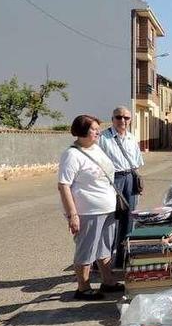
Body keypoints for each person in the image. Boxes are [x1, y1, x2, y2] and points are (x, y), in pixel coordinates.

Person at [57, 114, 123, 300]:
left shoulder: (96, 149)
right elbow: (63, 185)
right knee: (86, 248)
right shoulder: (71, 155)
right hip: (88, 210)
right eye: (94, 129)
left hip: (107, 207)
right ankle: (83, 287)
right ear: (83, 132)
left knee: (104, 247)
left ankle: (108, 280)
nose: (98, 132)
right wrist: (73, 215)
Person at [98, 106, 144, 269]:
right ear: (112, 119)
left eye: (126, 118)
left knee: (128, 219)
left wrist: (137, 182)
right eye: (119, 117)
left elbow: (137, 163)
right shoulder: (103, 138)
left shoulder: (132, 138)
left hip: (130, 178)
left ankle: (121, 260)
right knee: (110, 220)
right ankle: (103, 260)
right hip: (112, 180)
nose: (122, 121)